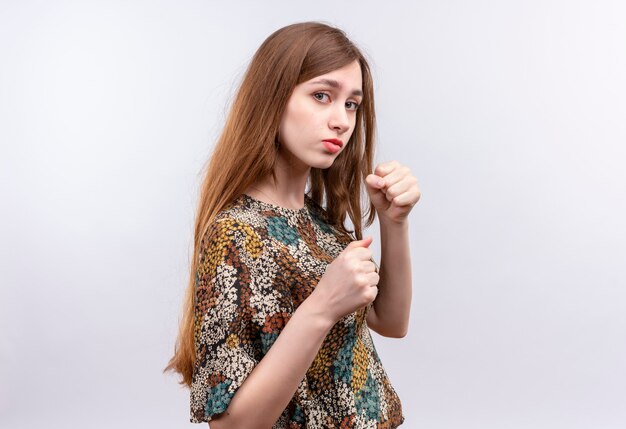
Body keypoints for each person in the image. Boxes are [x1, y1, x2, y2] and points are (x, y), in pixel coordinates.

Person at [163, 21, 421, 428]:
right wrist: (321, 307)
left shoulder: (317, 220)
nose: (342, 121)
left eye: (351, 104)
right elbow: (231, 425)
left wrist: (394, 223)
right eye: (322, 96)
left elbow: (391, 322)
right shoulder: (236, 234)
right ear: (273, 98)